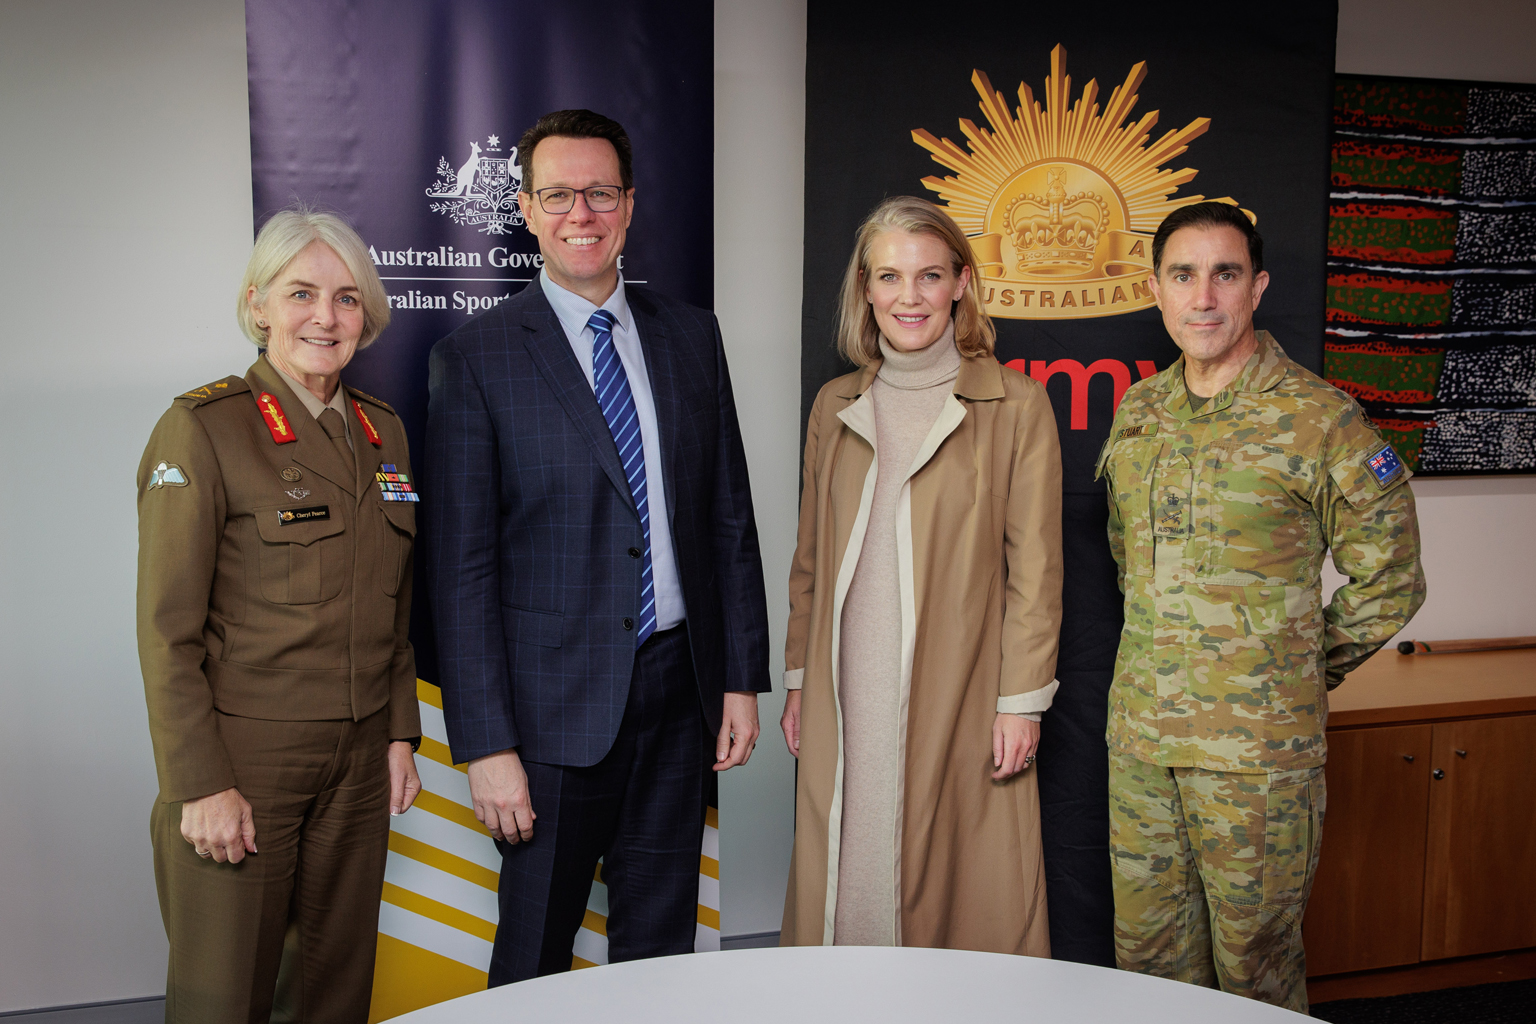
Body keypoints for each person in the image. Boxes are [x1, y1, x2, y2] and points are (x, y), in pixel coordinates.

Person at [424, 109, 770, 984]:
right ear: (527, 210)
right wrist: (486, 747)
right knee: (534, 958)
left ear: (630, 204)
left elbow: (728, 518)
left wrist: (739, 676)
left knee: (658, 959)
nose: (582, 213)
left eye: (601, 193)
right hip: (547, 720)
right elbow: (460, 572)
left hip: (679, 695)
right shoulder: (475, 358)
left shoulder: (692, 335)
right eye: (558, 195)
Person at [1096, 201, 1426, 1011]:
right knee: (1147, 966)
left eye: (1226, 273)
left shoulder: (1320, 419)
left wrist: (1295, 669)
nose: (1203, 296)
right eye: (1183, 275)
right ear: (1156, 289)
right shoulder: (1139, 410)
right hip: (1143, 746)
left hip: (1257, 758)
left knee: (1254, 975)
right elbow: (1128, 557)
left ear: (1257, 287)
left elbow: (1392, 577)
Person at [137, 208, 423, 1024]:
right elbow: (166, 633)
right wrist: (200, 783)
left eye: (346, 298)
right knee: (223, 996)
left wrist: (398, 733)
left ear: (366, 315)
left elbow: (394, 603)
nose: (325, 317)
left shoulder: (383, 432)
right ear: (258, 305)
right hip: (245, 759)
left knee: (336, 991)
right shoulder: (204, 429)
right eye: (301, 294)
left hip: (359, 759)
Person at [779, 196, 1063, 952]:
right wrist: (800, 678)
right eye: (890, 276)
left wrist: (1022, 704)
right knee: (847, 882)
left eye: (930, 275)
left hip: (958, 688)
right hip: (846, 685)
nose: (910, 297)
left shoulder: (1016, 405)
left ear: (961, 283)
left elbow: (1036, 574)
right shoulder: (835, 403)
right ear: (866, 288)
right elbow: (810, 558)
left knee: (955, 893)